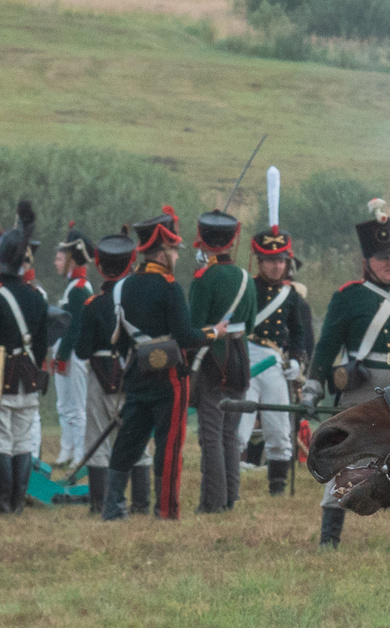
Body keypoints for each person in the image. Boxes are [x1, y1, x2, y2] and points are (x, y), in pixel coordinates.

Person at [311, 206, 390, 548]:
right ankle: (329, 539)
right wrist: (313, 384)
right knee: (347, 460)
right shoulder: (348, 296)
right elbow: (327, 344)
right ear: (367, 261)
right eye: (383, 257)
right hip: (364, 395)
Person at [101, 208, 210, 522]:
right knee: (169, 445)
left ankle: (113, 508)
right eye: (174, 250)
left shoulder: (123, 287)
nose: (177, 256)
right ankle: (165, 510)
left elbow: (119, 340)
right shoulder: (170, 288)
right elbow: (186, 336)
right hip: (170, 379)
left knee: (128, 442)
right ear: (162, 252)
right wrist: (213, 333)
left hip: (137, 374)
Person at [188, 209, 257, 513]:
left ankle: (213, 502)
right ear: (232, 239)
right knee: (230, 434)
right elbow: (251, 324)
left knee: (212, 435)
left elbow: (194, 327)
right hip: (241, 359)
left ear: (202, 239)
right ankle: (230, 498)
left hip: (213, 359)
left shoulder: (203, 279)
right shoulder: (246, 278)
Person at [0, 202, 51, 513]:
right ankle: (17, 504)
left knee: (0, 441)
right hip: (29, 375)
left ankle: (1, 504)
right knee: (23, 441)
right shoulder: (37, 297)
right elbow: (41, 344)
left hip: (2, 375)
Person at [75, 231, 147, 516]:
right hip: (134, 374)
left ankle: (99, 504)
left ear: (99, 265)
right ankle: (141, 503)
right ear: (131, 262)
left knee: (98, 441)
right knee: (138, 441)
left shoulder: (93, 305)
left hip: (101, 376)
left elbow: (82, 351)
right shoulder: (138, 301)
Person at [242, 224, 312, 495]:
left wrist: (296, 360)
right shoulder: (247, 288)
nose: (276, 266)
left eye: (280, 260)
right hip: (247, 357)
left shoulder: (291, 296)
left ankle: (277, 488)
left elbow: (298, 333)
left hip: (274, 362)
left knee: (279, 427)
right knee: (239, 427)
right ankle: (229, 482)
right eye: (270, 260)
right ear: (260, 261)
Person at [50, 224, 92, 467]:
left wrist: (63, 355)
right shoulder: (72, 286)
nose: (57, 262)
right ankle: (67, 450)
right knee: (63, 405)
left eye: (60, 257)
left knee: (76, 407)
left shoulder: (79, 289)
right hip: (65, 351)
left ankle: (80, 453)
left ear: (72, 260)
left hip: (74, 353)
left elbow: (74, 328)